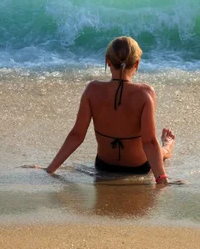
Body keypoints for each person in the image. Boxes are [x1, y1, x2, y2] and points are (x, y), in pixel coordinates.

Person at [25, 36, 175, 185]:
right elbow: (149, 142)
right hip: (138, 167)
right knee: (159, 152)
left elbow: (77, 136)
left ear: (108, 61)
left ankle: (166, 148)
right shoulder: (145, 93)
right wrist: (161, 179)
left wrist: (50, 169)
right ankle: (167, 147)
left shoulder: (92, 90)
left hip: (104, 166)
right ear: (136, 64)